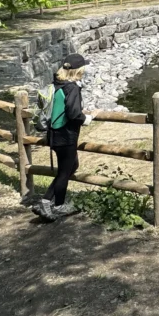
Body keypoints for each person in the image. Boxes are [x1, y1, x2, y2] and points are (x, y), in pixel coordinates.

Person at [33, 53, 94, 221]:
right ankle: (48, 202)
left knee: (70, 166)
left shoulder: (57, 83)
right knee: (65, 170)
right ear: (78, 70)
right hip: (66, 135)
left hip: (54, 133)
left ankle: (56, 204)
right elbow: (74, 113)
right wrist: (87, 119)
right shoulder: (72, 88)